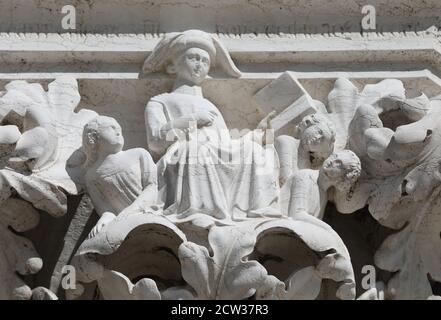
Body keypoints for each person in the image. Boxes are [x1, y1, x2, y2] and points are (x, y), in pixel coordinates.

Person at [143, 30, 280, 220]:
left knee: (254, 150)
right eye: (193, 58)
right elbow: (156, 141)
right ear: (172, 67)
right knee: (196, 150)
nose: (199, 65)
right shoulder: (160, 101)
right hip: (185, 151)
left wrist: (256, 134)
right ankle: (201, 211)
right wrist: (193, 120)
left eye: (205, 61)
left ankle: (259, 210)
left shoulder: (210, 106)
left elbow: (224, 141)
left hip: (215, 149)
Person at [82, 116, 159, 237]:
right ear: (94, 136)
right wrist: (105, 219)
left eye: (119, 129)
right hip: (122, 223)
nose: (118, 132)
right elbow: (106, 209)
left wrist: (133, 209)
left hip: (150, 212)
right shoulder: (92, 176)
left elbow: (152, 186)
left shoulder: (139, 154)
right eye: (111, 128)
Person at [285, 150, 361, 220]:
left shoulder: (324, 195)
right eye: (334, 156)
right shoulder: (305, 176)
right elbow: (296, 215)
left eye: (339, 164)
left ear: (341, 179)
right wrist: (328, 229)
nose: (332, 161)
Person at [275, 113, 336, 185]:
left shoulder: (308, 166)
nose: (317, 138)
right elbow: (285, 179)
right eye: (319, 131)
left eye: (322, 140)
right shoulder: (285, 141)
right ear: (309, 124)